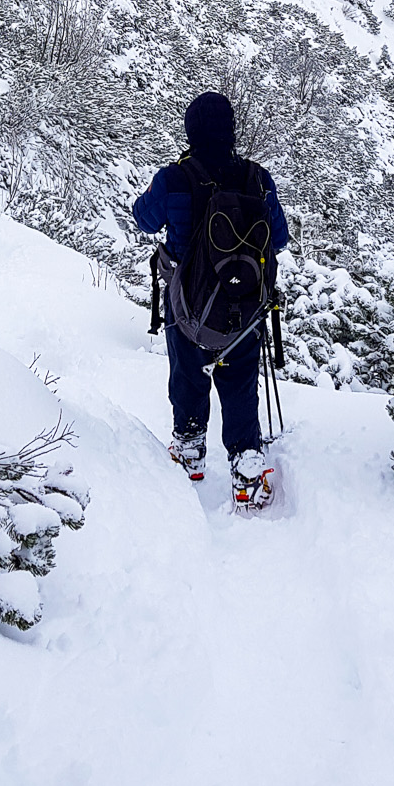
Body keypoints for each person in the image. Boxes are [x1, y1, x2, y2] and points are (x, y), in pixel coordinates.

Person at [133, 92, 289, 505]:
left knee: (187, 374)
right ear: (231, 129)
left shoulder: (175, 178)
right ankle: (248, 470)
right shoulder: (257, 178)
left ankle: (189, 453)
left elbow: (143, 218)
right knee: (239, 383)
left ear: (191, 131)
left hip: (188, 306)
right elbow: (281, 238)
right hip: (246, 309)